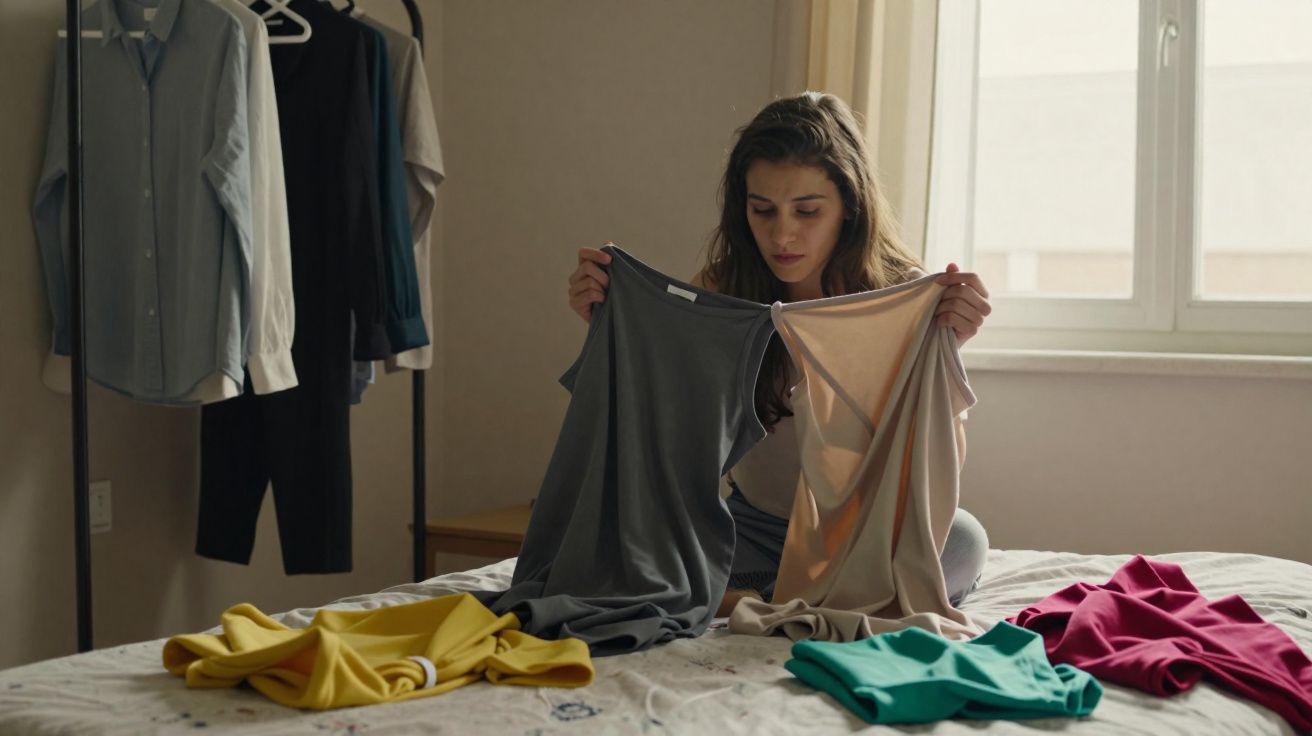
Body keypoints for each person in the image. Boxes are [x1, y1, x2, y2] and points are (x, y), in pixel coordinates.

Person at [565, 92, 992, 618]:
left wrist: (947, 348)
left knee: (963, 542)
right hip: (754, 527)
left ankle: (753, 602)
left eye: (807, 211)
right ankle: (811, 601)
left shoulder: (899, 292)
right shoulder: (723, 287)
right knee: (626, 543)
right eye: (761, 209)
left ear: (849, 207)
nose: (781, 234)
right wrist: (615, 330)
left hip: (867, 529)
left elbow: (931, 459)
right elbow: (673, 429)